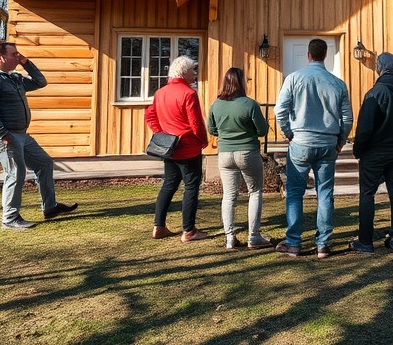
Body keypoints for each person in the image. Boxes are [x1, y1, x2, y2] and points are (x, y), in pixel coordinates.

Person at [0, 40, 78, 230]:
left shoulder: (13, 78)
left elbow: (40, 82)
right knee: (16, 172)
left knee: (44, 163)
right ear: (0, 57)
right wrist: (4, 135)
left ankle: (50, 207)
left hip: (21, 135)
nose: (18, 56)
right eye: (14, 54)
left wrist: (26, 63)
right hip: (4, 136)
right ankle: (9, 218)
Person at [274, 38, 353, 259]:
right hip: (327, 143)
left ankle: (293, 243)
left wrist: (288, 133)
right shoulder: (338, 84)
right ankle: (322, 245)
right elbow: (347, 118)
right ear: (325, 55)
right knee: (325, 193)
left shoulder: (294, 78)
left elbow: (280, 110)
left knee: (295, 193)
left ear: (309, 55)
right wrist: (341, 140)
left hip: (300, 142)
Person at [349, 53, 393, 255]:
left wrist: (358, 150)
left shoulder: (375, 93)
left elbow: (364, 128)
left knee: (367, 194)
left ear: (379, 68)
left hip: (374, 153)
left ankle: (365, 241)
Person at [207, 67, 272, 250]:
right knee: (255, 191)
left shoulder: (216, 105)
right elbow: (262, 130)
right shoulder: (250, 104)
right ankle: (254, 236)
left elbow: (212, 130)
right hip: (247, 152)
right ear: (241, 82)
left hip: (224, 154)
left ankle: (229, 237)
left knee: (229, 195)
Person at [146, 55, 209, 242]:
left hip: (169, 149)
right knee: (191, 187)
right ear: (184, 72)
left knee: (169, 185)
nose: (195, 74)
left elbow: (150, 116)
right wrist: (203, 140)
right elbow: (196, 123)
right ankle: (188, 231)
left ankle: (159, 226)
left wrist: (162, 134)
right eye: (192, 70)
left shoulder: (160, 93)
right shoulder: (189, 93)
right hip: (188, 148)